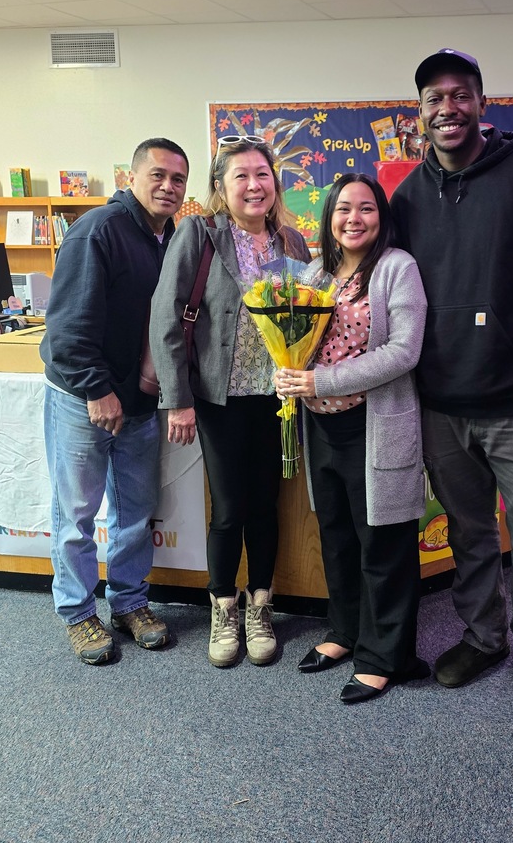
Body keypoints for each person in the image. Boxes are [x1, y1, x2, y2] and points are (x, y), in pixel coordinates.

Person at [390, 48, 513, 698]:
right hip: (442, 400)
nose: (448, 108)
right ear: (420, 113)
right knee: (468, 534)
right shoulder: (407, 197)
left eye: (460, 94)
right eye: (434, 99)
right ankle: (483, 636)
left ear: (482, 103)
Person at [149, 135, 310, 669]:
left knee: (266, 505)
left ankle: (261, 606)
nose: (254, 185)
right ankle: (224, 607)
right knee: (229, 508)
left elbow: (311, 311)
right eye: (241, 176)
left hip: (277, 398)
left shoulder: (292, 242)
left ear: (274, 183)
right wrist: (177, 400)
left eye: (262, 174)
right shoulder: (199, 233)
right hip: (219, 398)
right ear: (221, 186)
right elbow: (166, 316)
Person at [274, 174, 430, 704]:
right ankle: (344, 631)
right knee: (337, 535)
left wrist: (321, 381)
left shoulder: (397, 268)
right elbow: (294, 339)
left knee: (382, 541)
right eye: (344, 208)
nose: (353, 219)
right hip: (321, 425)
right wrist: (286, 370)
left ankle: (385, 656)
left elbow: (404, 351)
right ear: (329, 217)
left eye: (366, 208)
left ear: (381, 217)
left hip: (375, 424)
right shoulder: (315, 272)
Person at [41, 137, 190, 664]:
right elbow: (68, 324)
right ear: (132, 177)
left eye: (178, 179)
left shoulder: (171, 237)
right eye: (158, 175)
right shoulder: (98, 229)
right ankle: (78, 612)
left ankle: (129, 602)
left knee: (135, 510)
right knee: (77, 512)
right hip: (85, 398)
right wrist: (97, 389)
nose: (168, 186)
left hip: (139, 401)